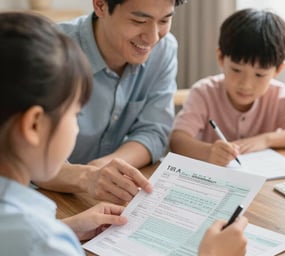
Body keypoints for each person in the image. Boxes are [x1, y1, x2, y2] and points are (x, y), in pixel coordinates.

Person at [0, 12, 249, 256]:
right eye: (75, 113)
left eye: (164, 20)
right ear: (33, 125)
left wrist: (65, 229)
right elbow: (35, 241)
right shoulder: (51, 58)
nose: (152, 36)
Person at [34, 0, 188, 205]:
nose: (152, 37)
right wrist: (87, 176)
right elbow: (21, 153)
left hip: (99, 198)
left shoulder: (164, 49)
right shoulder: (50, 53)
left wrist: (104, 167)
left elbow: (154, 131)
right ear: (100, 6)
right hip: (38, 197)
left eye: (164, 20)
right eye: (139, 20)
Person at [170, 8, 285, 166]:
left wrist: (266, 139)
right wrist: (209, 152)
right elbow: (177, 141)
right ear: (220, 58)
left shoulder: (277, 95)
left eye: (259, 75)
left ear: (278, 70)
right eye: (236, 70)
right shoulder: (204, 93)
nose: (245, 84)